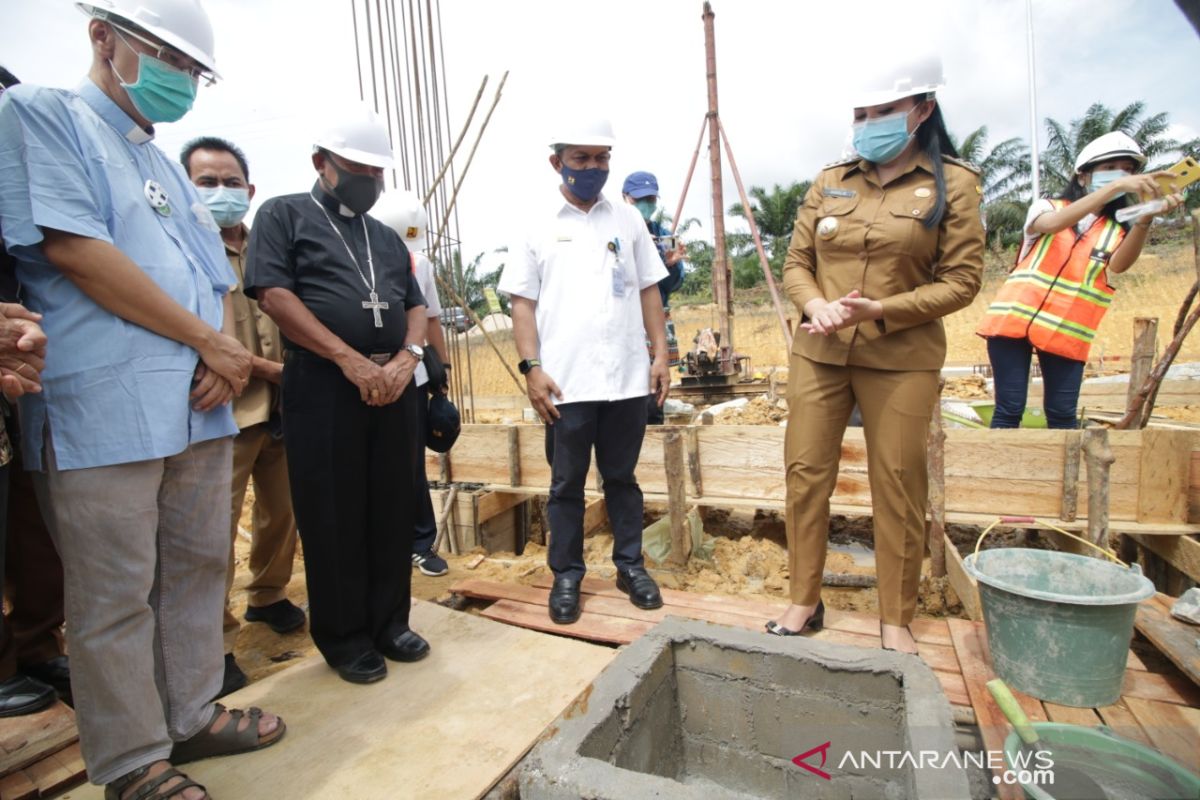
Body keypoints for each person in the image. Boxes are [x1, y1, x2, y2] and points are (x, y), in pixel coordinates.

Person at [0, 2, 286, 796]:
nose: (181, 79)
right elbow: (75, 250)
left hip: (196, 401)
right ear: (102, 36)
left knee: (196, 569)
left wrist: (223, 357)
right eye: (166, 56)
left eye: (191, 68)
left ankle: (190, 714)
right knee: (114, 593)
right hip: (103, 402)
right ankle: (131, 759)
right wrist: (210, 344)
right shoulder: (42, 114)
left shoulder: (160, 161)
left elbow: (211, 277)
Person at [770, 55, 984, 654]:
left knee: (898, 482)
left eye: (883, 112)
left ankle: (896, 617)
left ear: (922, 110)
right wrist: (814, 305)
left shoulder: (954, 185)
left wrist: (882, 310)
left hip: (902, 356)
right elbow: (797, 262)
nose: (868, 124)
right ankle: (803, 600)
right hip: (820, 351)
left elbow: (962, 281)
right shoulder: (830, 180)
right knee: (806, 476)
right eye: (860, 114)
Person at [244, 106, 431, 685]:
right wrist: (346, 358)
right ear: (321, 164)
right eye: (356, 168)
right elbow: (273, 294)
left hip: (393, 384)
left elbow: (415, 305)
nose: (369, 181)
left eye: (377, 172)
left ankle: (389, 622)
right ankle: (345, 635)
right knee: (333, 512)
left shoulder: (383, 235)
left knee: (392, 505)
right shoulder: (283, 215)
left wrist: (408, 358)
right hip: (324, 384)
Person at [499, 118, 670, 625]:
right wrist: (532, 368)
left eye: (601, 158)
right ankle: (567, 576)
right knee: (566, 485)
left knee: (622, 478)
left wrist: (660, 354)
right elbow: (522, 304)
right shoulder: (536, 225)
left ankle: (630, 567)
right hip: (565, 384)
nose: (593, 168)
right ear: (557, 162)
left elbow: (648, 290)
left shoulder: (627, 220)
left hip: (626, 380)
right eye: (581, 159)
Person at [182, 136, 305, 697]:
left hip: (283, 408)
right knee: (211, 535)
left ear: (250, 191)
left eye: (231, 182)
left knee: (281, 514)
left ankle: (268, 596)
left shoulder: (269, 248)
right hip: (221, 409)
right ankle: (215, 645)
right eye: (206, 182)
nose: (221, 192)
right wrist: (265, 368)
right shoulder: (183, 247)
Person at [975, 131, 1185, 428]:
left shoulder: (1118, 228)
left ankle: (1066, 475)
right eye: (1110, 168)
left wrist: (1145, 216)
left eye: (1127, 169)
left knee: (1062, 414)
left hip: (1067, 330)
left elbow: (1120, 266)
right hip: (1011, 323)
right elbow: (1052, 225)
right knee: (1009, 409)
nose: (1120, 175)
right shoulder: (1048, 208)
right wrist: (1117, 186)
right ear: (1083, 177)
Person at [374, 190, 451, 577]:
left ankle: (419, 543)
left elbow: (432, 319)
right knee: (371, 466)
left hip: (413, 379)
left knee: (411, 465)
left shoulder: (420, 263)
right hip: (365, 378)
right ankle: (379, 546)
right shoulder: (356, 259)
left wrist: (442, 373)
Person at [622, 171, 685, 425]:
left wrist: (668, 264)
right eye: (640, 199)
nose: (646, 205)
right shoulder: (616, 232)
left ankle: (653, 430)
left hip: (655, 318)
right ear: (626, 198)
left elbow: (670, 286)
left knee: (653, 387)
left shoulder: (662, 234)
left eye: (650, 199)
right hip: (627, 319)